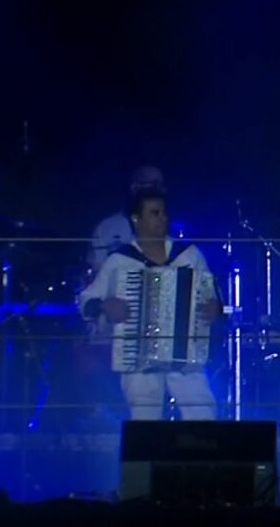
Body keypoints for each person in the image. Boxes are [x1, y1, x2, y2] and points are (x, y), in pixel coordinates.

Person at [76, 189, 221, 420]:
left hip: (185, 356)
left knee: (202, 413)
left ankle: (201, 456)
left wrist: (214, 309)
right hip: (137, 358)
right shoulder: (120, 261)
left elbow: (214, 297)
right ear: (136, 219)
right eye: (155, 213)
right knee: (144, 421)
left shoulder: (189, 256)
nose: (162, 218)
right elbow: (85, 301)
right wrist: (105, 306)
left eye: (164, 213)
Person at [89, 166, 166, 272]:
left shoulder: (169, 226)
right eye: (154, 185)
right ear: (134, 188)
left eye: (161, 186)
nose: (160, 191)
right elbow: (97, 270)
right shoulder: (106, 229)